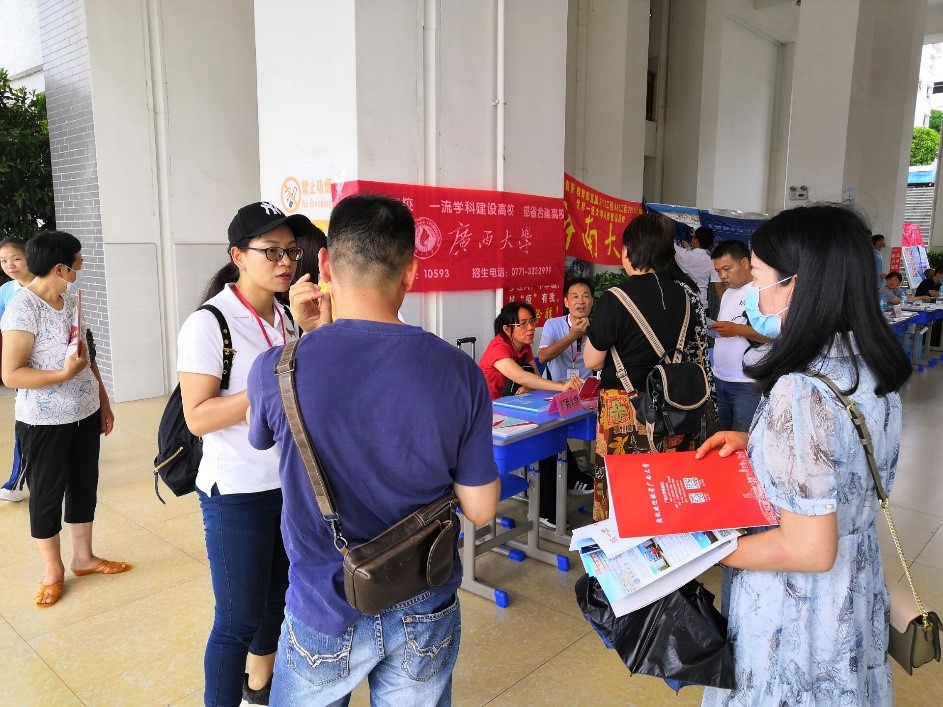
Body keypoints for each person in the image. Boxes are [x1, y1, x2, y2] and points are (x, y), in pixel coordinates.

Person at [247, 193, 500, 706]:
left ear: (324, 265)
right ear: (410, 272)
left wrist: (310, 337)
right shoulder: (460, 372)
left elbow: (264, 441)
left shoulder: (276, 369)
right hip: (424, 598)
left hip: (323, 606)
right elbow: (480, 509)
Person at [697, 204, 910, 706]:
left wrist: (695, 549)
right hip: (854, 589)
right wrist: (759, 441)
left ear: (797, 285)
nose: (751, 292)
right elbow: (845, 457)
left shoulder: (801, 390)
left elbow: (808, 549)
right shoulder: (869, 363)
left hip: (797, 613)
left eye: (758, 276)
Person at [177, 201, 306, 707]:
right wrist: (265, 387)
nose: (285, 261)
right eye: (271, 251)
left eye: (290, 250)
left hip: (287, 485)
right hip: (236, 491)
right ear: (238, 256)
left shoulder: (287, 317)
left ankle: (258, 688)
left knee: (276, 604)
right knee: (236, 620)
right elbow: (197, 416)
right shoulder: (210, 323)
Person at [0, 230, 125, 608]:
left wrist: (102, 400)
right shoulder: (23, 308)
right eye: (77, 259)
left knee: (84, 484)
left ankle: (83, 558)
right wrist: (62, 375)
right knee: (46, 494)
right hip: (43, 421)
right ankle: (52, 572)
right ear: (60, 267)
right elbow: (11, 374)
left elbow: (87, 356)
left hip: (84, 412)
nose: (81, 263)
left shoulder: (70, 300)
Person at [583, 213, 714, 521]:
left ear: (629, 251)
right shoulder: (684, 296)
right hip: (674, 408)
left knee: (625, 495)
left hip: (626, 410)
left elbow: (592, 361)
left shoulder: (615, 299)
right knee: (666, 491)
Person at [481, 302, 588, 529]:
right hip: (490, 418)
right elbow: (522, 377)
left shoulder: (524, 347)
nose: (530, 328)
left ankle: (570, 479)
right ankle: (546, 509)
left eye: (532, 321)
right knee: (543, 443)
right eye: (523, 324)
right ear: (507, 329)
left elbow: (534, 379)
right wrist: (560, 386)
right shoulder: (498, 347)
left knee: (552, 431)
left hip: (513, 409)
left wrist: (532, 385)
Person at [709, 240, 769, 432]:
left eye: (727, 269)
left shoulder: (761, 291)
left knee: (743, 440)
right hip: (720, 378)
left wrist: (737, 329)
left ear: (744, 262)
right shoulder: (729, 293)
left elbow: (773, 335)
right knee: (722, 435)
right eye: (718, 271)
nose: (722, 276)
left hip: (747, 384)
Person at [0, 238, 35, 502]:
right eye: (3, 261)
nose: (10, 265)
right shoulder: (6, 291)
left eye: (16, 258)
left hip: (47, 367)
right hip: (21, 368)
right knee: (24, 425)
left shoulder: (45, 285)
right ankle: (15, 482)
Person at [537, 277, 594, 381]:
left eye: (586, 296)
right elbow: (542, 357)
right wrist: (572, 336)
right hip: (554, 386)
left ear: (592, 301)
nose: (580, 301)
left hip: (585, 387)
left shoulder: (598, 327)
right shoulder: (552, 324)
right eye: (575, 297)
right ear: (566, 302)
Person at [673, 226, 722, 307]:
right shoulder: (712, 261)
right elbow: (719, 287)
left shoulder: (683, 255)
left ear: (696, 240)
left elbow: (671, 245)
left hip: (684, 303)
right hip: (702, 303)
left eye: (693, 237)